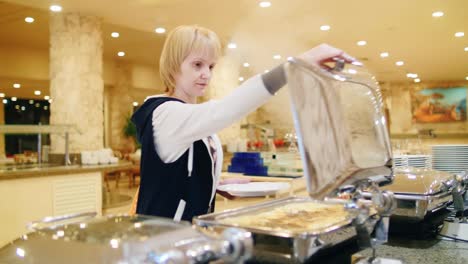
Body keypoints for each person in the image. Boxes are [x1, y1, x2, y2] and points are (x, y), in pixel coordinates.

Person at [130, 25, 357, 221]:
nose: (206, 75)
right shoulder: (166, 113)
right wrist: (295, 66)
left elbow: (180, 172)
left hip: (189, 239)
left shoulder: (189, 116)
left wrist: (214, 183)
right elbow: (225, 110)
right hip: (160, 241)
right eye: (197, 64)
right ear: (173, 65)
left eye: (211, 66)